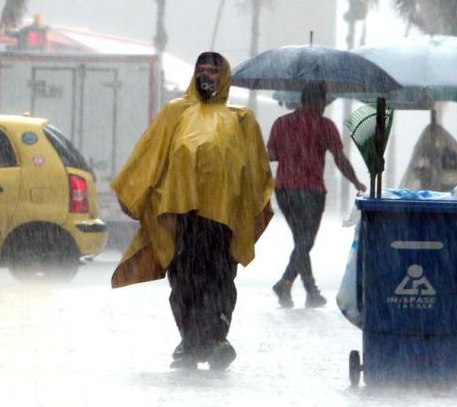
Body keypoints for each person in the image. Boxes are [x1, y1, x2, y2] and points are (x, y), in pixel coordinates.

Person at [111, 51, 274, 371]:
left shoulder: (241, 119)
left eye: (213, 70)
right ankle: (190, 341)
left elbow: (256, 170)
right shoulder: (176, 113)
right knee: (184, 279)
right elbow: (150, 155)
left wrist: (254, 206)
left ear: (223, 76)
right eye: (201, 69)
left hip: (222, 218)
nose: (206, 75)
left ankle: (215, 339)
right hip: (181, 215)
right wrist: (131, 191)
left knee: (218, 278)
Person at [267, 81, 366, 308]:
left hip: (285, 189)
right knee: (305, 241)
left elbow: (271, 155)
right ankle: (291, 284)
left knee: (301, 241)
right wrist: (356, 181)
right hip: (311, 191)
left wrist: (290, 151)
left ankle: (306, 289)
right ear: (319, 101)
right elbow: (339, 159)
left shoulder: (281, 123)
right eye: (324, 100)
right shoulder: (325, 126)